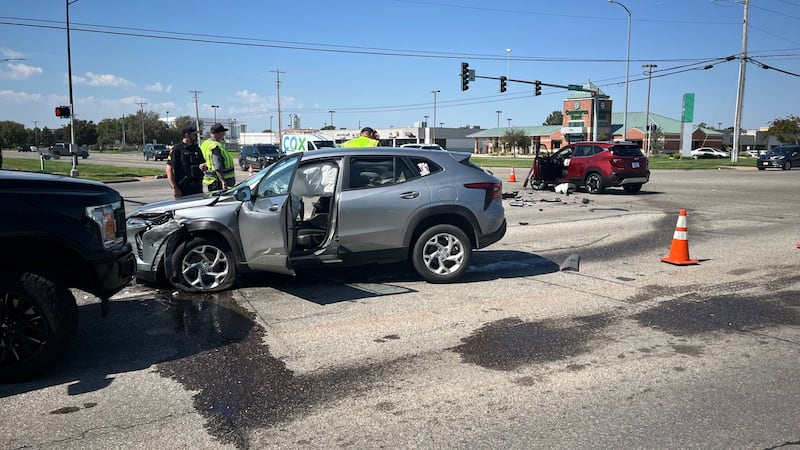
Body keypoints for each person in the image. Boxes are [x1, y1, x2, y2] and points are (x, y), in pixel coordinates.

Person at [165, 126, 205, 198]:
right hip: (183, 188)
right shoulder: (177, 149)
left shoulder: (196, 149)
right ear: (187, 135)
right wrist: (175, 188)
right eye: (194, 135)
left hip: (197, 188)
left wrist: (203, 166)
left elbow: (202, 163)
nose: (196, 137)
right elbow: (169, 169)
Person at [200, 123, 236, 192]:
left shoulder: (205, 144)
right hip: (218, 181)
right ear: (219, 133)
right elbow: (217, 166)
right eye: (223, 132)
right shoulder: (215, 146)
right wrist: (223, 181)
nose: (224, 134)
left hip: (211, 180)